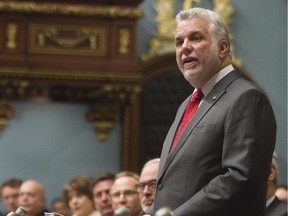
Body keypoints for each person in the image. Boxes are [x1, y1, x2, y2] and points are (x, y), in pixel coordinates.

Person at [145, 7, 277, 216]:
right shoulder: (187, 104)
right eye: (179, 42)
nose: (185, 47)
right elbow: (173, 185)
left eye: (195, 38)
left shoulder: (246, 97)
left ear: (222, 48)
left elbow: (240, 178)